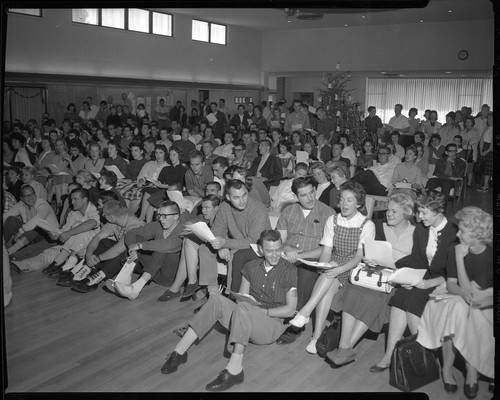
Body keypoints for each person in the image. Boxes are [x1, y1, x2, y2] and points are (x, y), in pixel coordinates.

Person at [160, 230, 298, 393]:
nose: (275, 255)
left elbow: (290, 310)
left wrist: (263, 312)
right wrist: (247, 305)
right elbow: (242, 298)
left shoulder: (288, 270)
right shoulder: (251, 267)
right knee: (217, 299)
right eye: (269, 251)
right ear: (260, 250)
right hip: (246, 318)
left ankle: (235, 369)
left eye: (278, 250)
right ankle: (180, 351)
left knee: (244, 307)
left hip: (271, 326)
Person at [371, 190, 457, 372]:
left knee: (412, 305)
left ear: (439, 211)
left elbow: (453, 273)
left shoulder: (453, 233)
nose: (419, 217)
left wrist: (427, 284)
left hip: (444, 282)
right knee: (400, 299)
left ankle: (423, 358)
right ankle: (389, 355)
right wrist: (401, 271)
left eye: (424, 213)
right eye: (419, 211)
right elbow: (417, 259)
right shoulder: (422, 229)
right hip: (424, 275)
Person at [327, 193, 415, 366]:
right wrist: (370, 259)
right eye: (388, 210)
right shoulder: (381, 228)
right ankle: (345, 346)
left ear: (406, 213)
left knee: (375, 298)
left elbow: (418, 263)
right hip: (376, 274)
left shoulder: (416, 233)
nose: (388, 214)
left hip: (398, 280)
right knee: (352, 289)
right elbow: (372, 252)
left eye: (394, 211)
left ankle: (345, 347)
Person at [287, 181, 375, 354]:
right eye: (342, 199)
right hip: (334, 265)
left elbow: (359, 257)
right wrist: (324, 266)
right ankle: (315, 335)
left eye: (349, 200)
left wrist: (337, 269)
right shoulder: (332, 220)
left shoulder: (366, 224)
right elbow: (327, 251)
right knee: (330, 277)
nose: (344, 204)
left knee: (333, 270)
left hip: (353, 267)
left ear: (358, 203)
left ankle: (305, 313)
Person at [416, 207, 493, 398]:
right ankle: (453, 371)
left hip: (484, 301)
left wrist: (460, 259)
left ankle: (468, 370)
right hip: (455, 298)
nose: (457, 234)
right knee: (458, 310)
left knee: (466, 316)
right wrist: (458, 257)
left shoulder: (489, 255)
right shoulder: (454, 247)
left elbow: (472, 292)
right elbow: (452, 285)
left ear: (477, 234)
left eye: (462, 231)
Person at [274, 177, 336, 345]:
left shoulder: (328, 213)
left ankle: (298, 321)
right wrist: (287, 249)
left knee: (305, 274)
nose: (309, 198)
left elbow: (328, 248)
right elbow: (280, 239)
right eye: (303, 195)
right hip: (289, 255)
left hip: (313, 259)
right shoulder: (289, 211)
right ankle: (272, 311)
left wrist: (302, 255)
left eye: (312, 193)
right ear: (296, 196)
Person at [197, 179, 271, 295]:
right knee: (204, 249)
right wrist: (221, 247)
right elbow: (216, 231)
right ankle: (213, 294)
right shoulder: (224, 206)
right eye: (236, 198)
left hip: (258, 247)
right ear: (227, 197)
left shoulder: (259, 209)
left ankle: (231, 295)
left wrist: (225, 243)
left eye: (244, 195)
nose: (242, 201)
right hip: (237, 243)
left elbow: (252, 241)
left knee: (234, 255)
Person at [11, 188, 101, 274]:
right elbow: (65, 230)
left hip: (88, 248)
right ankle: (20, 265)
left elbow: (92, 223)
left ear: (85, 199)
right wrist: (57, 235)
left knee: (77, 225)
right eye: (71, 199)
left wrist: (69, 233)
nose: (72, 202)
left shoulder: (93, 210)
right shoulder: (73, 213)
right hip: (70, 246)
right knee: (49, 253)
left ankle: (62, 263)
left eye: (75, 199)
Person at [112, 201, 190, 300]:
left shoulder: (184, 230)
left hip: (171, 277)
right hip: (155, 272)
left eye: (164, 216)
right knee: (138, 238)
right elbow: (131, 233)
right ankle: (126, 279)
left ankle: (136, 288)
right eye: (159, 215)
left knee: (160, 248)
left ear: (176, 216)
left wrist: (140, 246)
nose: (161, 219)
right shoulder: (158, 225)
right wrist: (133, 248)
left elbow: (168, 245)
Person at [69, 200, 145, 293]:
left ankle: (98, 277)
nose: (103, 217)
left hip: (141, 262)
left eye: (104, 215)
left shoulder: (134, 225)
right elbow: (97, 238)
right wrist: (89, 255)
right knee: (104, 241)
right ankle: (86, 270)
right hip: (128, 257)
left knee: (122, 251)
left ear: (111, 217)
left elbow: (118, 250)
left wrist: (97, 259)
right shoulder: (115, 221)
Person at [158, 194, 221, 301]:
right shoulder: (203, 217)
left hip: (219, 250)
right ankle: (191, 281)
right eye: (202, 208)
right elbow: (189, 223)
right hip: (206, 248)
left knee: (188, 243)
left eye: (207, 208)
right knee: (188, 239)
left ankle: (178, 286)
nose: (204, 211)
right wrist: (192, 228)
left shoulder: (222, 218)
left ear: (217, 208)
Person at [3, 184, 58, 256]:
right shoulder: (21, 205)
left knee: (37, 225)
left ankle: (9, 252)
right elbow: (5, 216)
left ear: (35, 195)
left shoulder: (43, 205)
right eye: (26, 195)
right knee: (11, 220)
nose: (30, 198)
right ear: (22, 198)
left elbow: (37, 220)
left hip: (48, 238)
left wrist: (20, 231)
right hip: (28, 237)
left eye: (32, 194)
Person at [475, 111, 493, 192]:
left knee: (488, 169)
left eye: (489, 118)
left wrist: (487, 150)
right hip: (484, 147)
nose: (487, 120)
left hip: (490, 149)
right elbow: (482, 139)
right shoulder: (487, 127)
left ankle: (485, 186)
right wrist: (481, 149)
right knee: (482, 167)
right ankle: (485, 184)